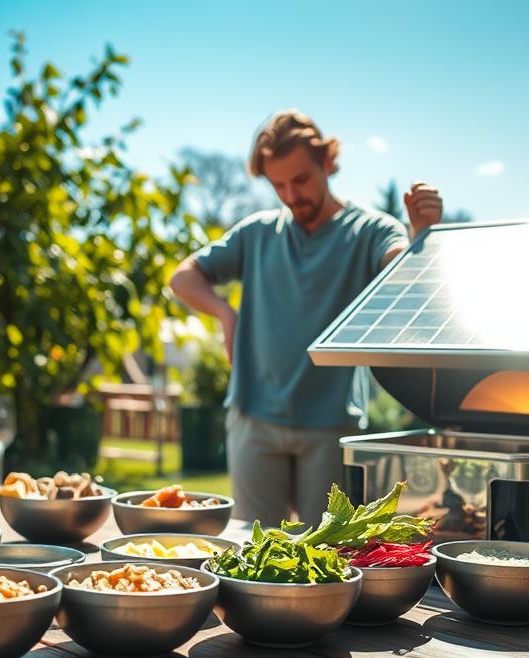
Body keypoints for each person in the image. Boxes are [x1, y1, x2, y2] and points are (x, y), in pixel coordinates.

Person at [169, 110, 442, 525]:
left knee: (325, 555)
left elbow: (401, 276)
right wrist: (225, 313)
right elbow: (183, 277)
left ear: (327, 163)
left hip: (331, 424)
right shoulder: (256, 233)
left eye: (300, 180)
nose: (291, 196)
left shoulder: (370, 230)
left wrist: (421, 235)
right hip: (253, 417)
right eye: (278, 185)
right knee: (253, 551)